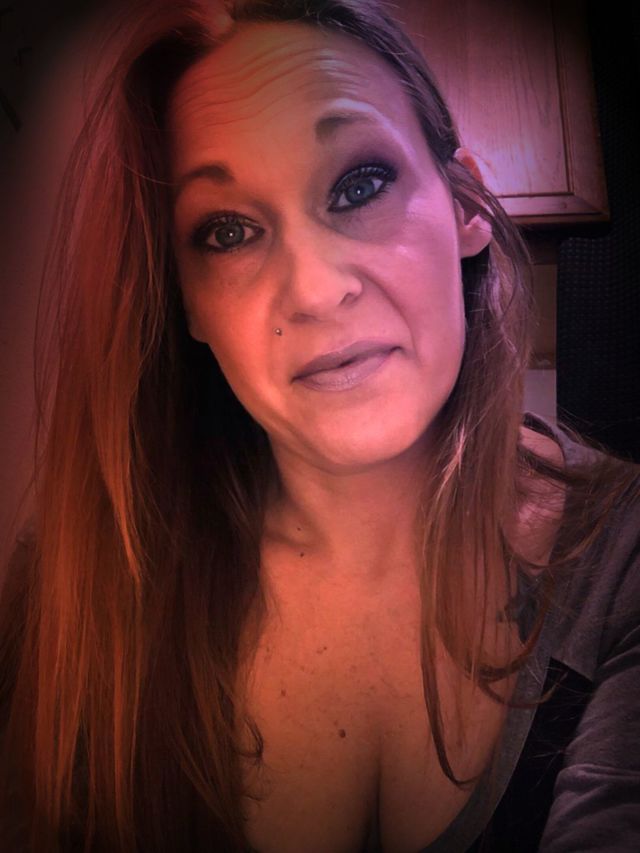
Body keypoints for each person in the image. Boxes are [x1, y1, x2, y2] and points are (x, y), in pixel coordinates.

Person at [1, 1, 639, 851]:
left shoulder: (623, 559)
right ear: (188, 302)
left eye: (359, 185)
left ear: (464, 207)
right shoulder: (82, 576)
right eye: (229, 231)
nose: (312, 289)